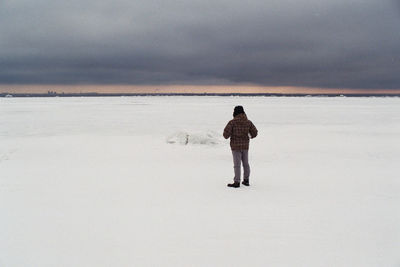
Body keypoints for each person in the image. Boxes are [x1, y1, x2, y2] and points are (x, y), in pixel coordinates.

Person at [223, 106, 258, 188]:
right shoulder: (248, 122)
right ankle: (246, 180)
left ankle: (237, 182)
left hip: (235, 147)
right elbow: (255, 133)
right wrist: (249, 136)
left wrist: (231, 133)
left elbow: (225, 135)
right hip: (245, 146)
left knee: (237, 165)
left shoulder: (232, 122)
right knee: (246, 164)